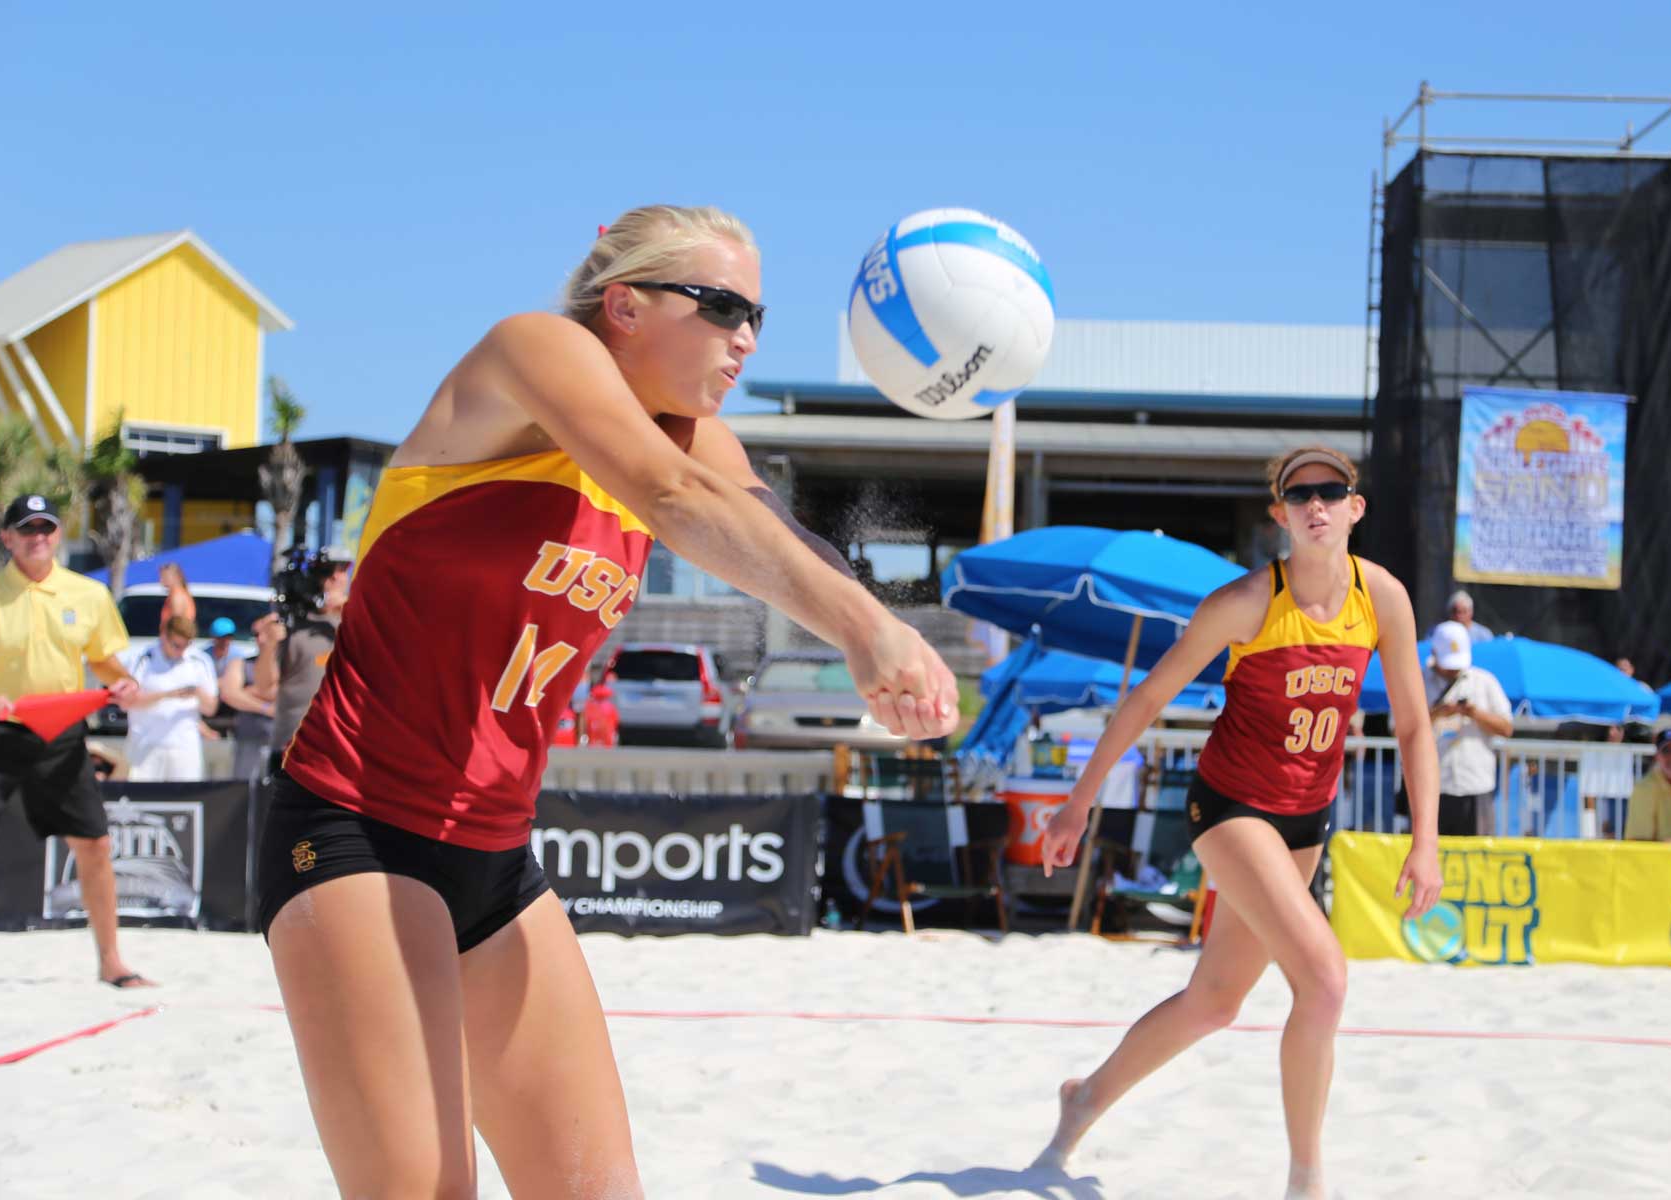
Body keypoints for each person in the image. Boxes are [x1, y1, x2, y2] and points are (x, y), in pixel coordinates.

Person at [257, 204, 957, 1197]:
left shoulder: (691, 437)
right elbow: (668, 495)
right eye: (720, 306)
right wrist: (860, 631)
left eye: (758, 314)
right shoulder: (533, 351)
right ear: (624, 305)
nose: (746, 337)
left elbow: (771, 534)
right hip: (354, 832)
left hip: (494, 859)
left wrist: (886, 633)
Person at [1036, 446, 1441, 1200]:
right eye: (1299, 494)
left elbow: (1416, 727)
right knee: (1323, 979)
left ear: (1355, 509)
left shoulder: (1379, 596)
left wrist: (1426, 842)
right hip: (1231, 807)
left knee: (1215, 1003)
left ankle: (1084, 1098)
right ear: (1280, 514)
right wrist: (1079, 799)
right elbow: (1149, 698)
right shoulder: (1247, 601)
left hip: (1306, 819)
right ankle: (1307, 1182)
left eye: (1331, 491)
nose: (1315, 504)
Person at [0, 493, 152, 988]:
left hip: (60, 733)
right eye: (28, 528)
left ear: (58, 535)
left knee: (95, 844)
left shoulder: (87, 594)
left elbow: (103, 659)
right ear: (7, 538)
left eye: (47, 528)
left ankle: (111, 962)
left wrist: (122, 682)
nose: (39, 537)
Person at [250, 555, 350, 770]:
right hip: (292, 748)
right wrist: (268, 647)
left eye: (342, 570)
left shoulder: (353, 624)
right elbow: (265, 688)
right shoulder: (292, 628)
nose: (335, 578)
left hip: (340, 749)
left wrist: (349, 610)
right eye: (327, 572)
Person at [1424, 620, 1514, 837]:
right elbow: (1398, 728)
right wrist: (1437, 713)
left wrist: (1474, 713)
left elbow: (1506, 727)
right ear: (1435, 652)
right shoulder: (1419, 680)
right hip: (1431, 786)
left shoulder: (1485, 681)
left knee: (1478, 857)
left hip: (1475, 784)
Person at [121, 616, 220, 782]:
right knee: (143, 800)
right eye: (176, 645)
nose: (181, 651)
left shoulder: (199, 661)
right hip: (146, 744)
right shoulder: (142, 659)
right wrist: (166, 695)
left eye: (186, 646)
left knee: (185, 800)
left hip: (184, 745)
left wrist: (196, 692)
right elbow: (127, 702)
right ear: (164, 636)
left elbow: (211, 708)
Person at [219, 616, 281, 781]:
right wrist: (267, 708)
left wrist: (248, 691)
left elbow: (286, 692)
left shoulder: (291, 663)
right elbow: (229, 694)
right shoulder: (241, 663)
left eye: (265, 633)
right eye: (256, 634)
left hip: (283, 743)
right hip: (249, 741)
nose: (260, 639)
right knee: (243, 794)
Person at [156, 561, 195, 638]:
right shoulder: (178, 594)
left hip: (174, 642)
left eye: (164, 577)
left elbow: (176, 625)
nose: (160, 580)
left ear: (176, 577)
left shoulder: (177, 596)